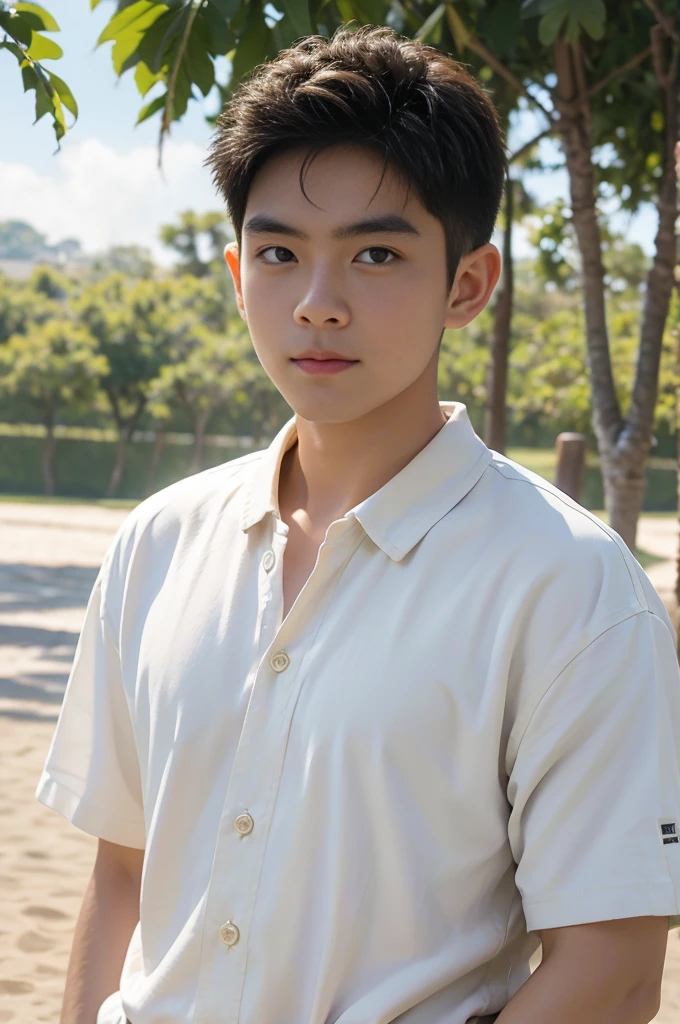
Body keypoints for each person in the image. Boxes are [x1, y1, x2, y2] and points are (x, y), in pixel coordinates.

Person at [37, 24, 680, 1024]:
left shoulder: (569, 588)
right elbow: (122, 872)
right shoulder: (155, 544)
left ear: (466, 283)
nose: (317, 304)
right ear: (236, 273)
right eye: (279, 254)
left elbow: (612, 968)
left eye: (376, 253)